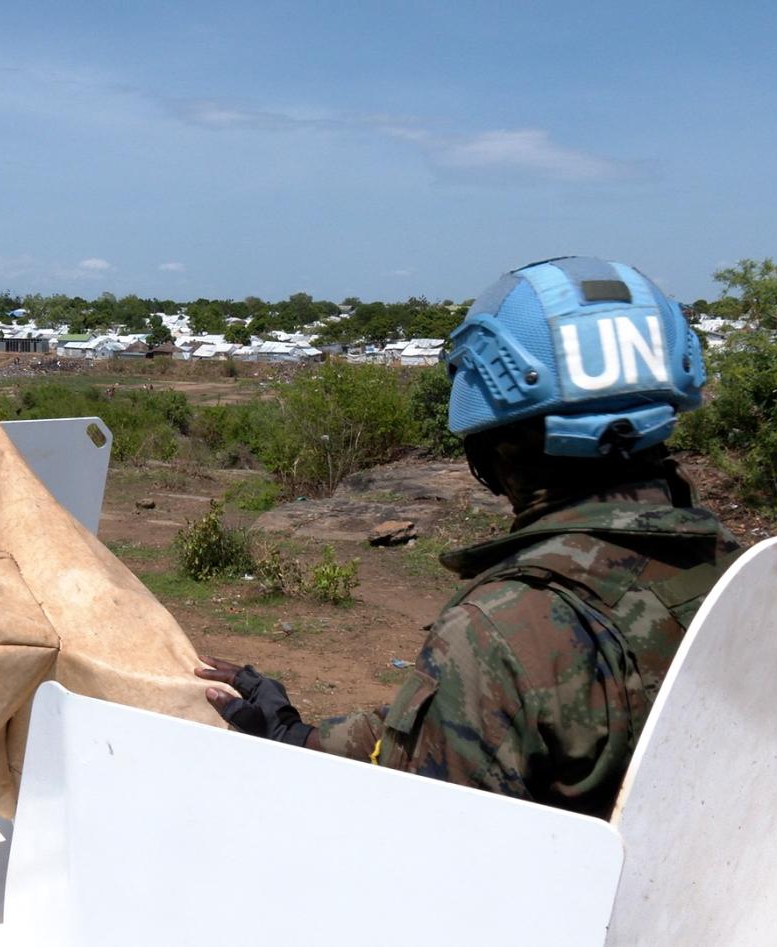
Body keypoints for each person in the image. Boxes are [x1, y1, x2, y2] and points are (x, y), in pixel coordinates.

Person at [196, 256, 742, 817]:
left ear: (487, 435)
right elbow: (453, 728)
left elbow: (425, 835)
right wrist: (297, 736)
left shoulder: (505, 628)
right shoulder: (730, 565)